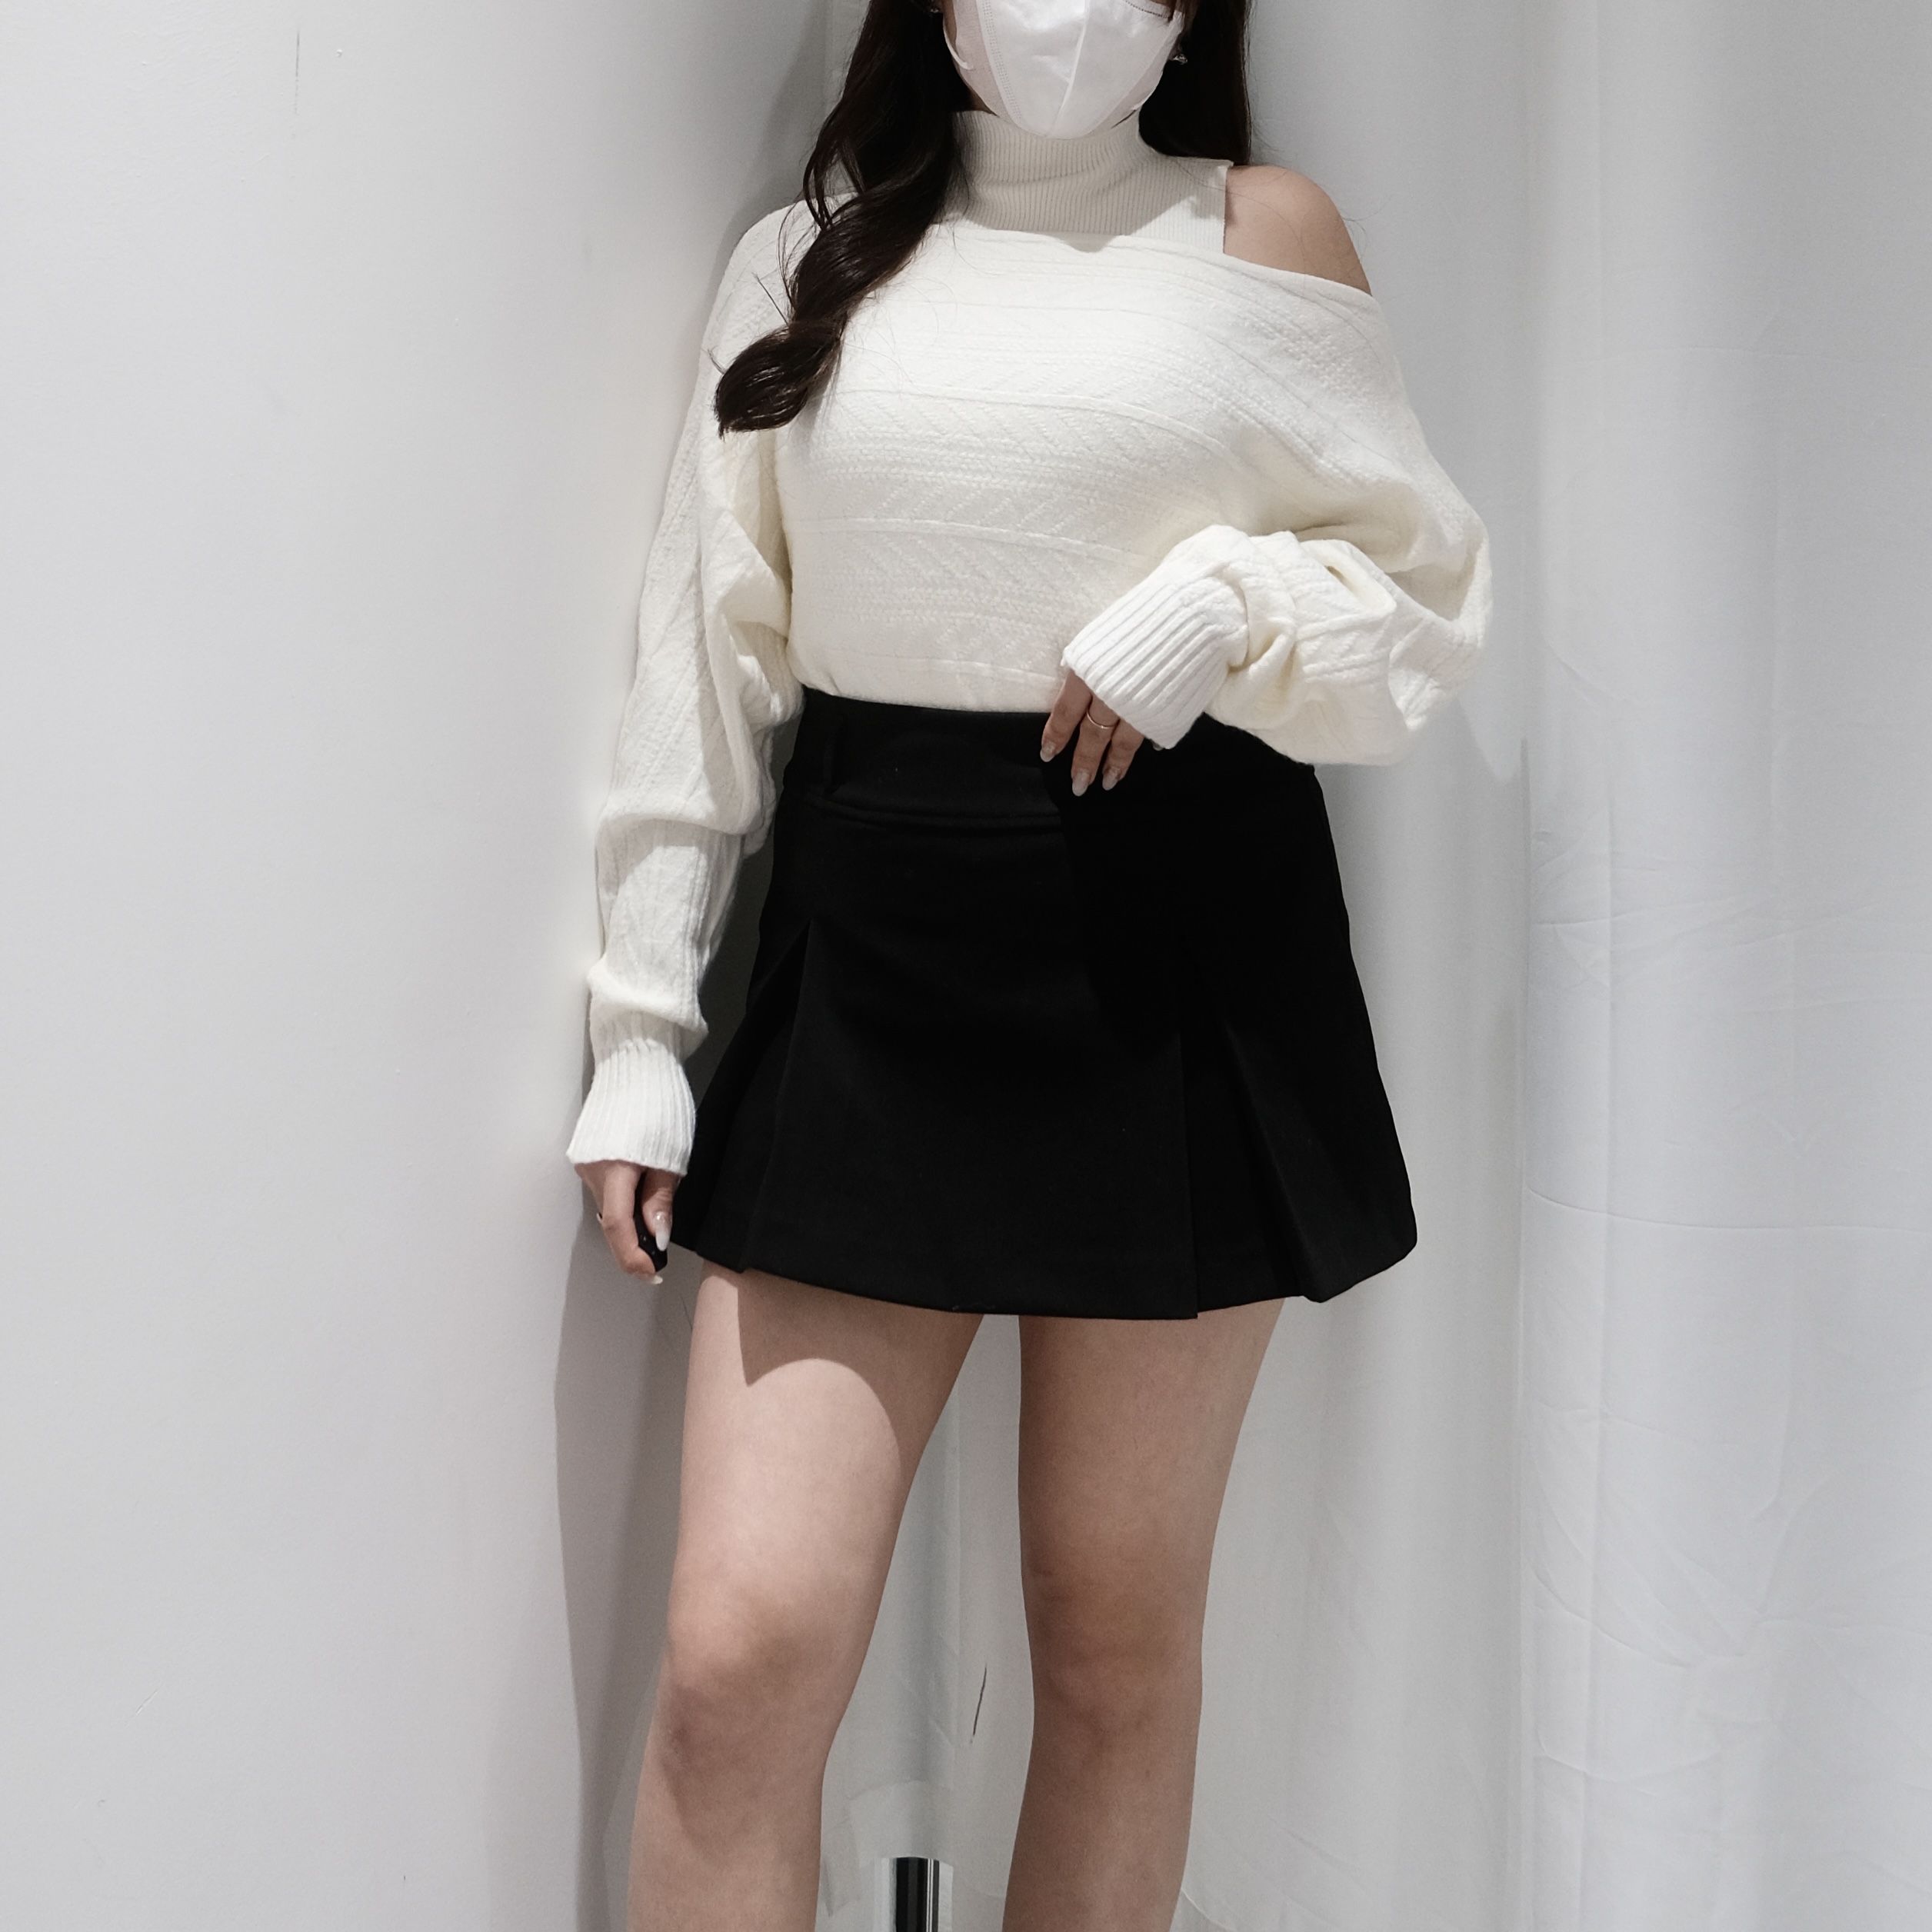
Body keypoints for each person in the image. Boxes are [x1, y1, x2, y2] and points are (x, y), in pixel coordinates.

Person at [570, 0, 1490, 1924]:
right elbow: (706, 643)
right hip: (873, 943)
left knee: (1111, 1642)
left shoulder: (1258, 229)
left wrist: (1223, 601)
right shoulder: (816, 250)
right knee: (738, 1663)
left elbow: (1424, 601)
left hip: (1177, 939)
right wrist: (642, 1020)